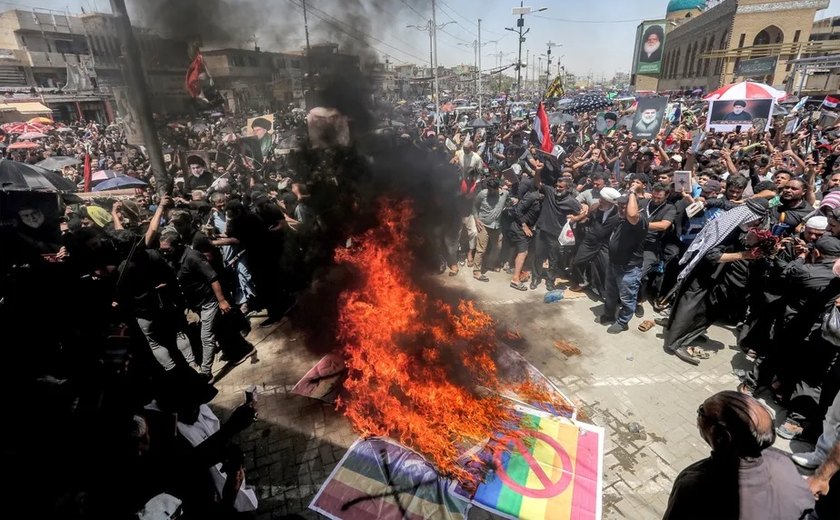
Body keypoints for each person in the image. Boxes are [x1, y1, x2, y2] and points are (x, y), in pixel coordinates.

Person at [664, 391, 814, 519]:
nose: (699, 413)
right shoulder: (786, 465)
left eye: (702, 411)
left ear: (721, 436)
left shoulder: (695, 485)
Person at [602, 192, 648, 333]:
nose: (622, 210)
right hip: (613, 264)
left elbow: (632, 215)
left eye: (625, 207)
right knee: (610, 292)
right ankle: (609, 313)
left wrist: (633, 192)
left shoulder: (640, 221)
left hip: (629, 268)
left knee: (627, 297)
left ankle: (623, 322)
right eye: (620, 206)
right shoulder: (619, 219)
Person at [472, 177, 508, 281]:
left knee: (498, 247)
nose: (489, 191)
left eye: (491, 190)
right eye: (488, 189)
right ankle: (476, 272)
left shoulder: (504, 194)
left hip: (497, 226)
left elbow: (510, 199)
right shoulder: (483, 194)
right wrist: (476, 219)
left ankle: (489, 264)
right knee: (481, 249)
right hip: (483, 225)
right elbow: (474, 207)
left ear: (498, 188)